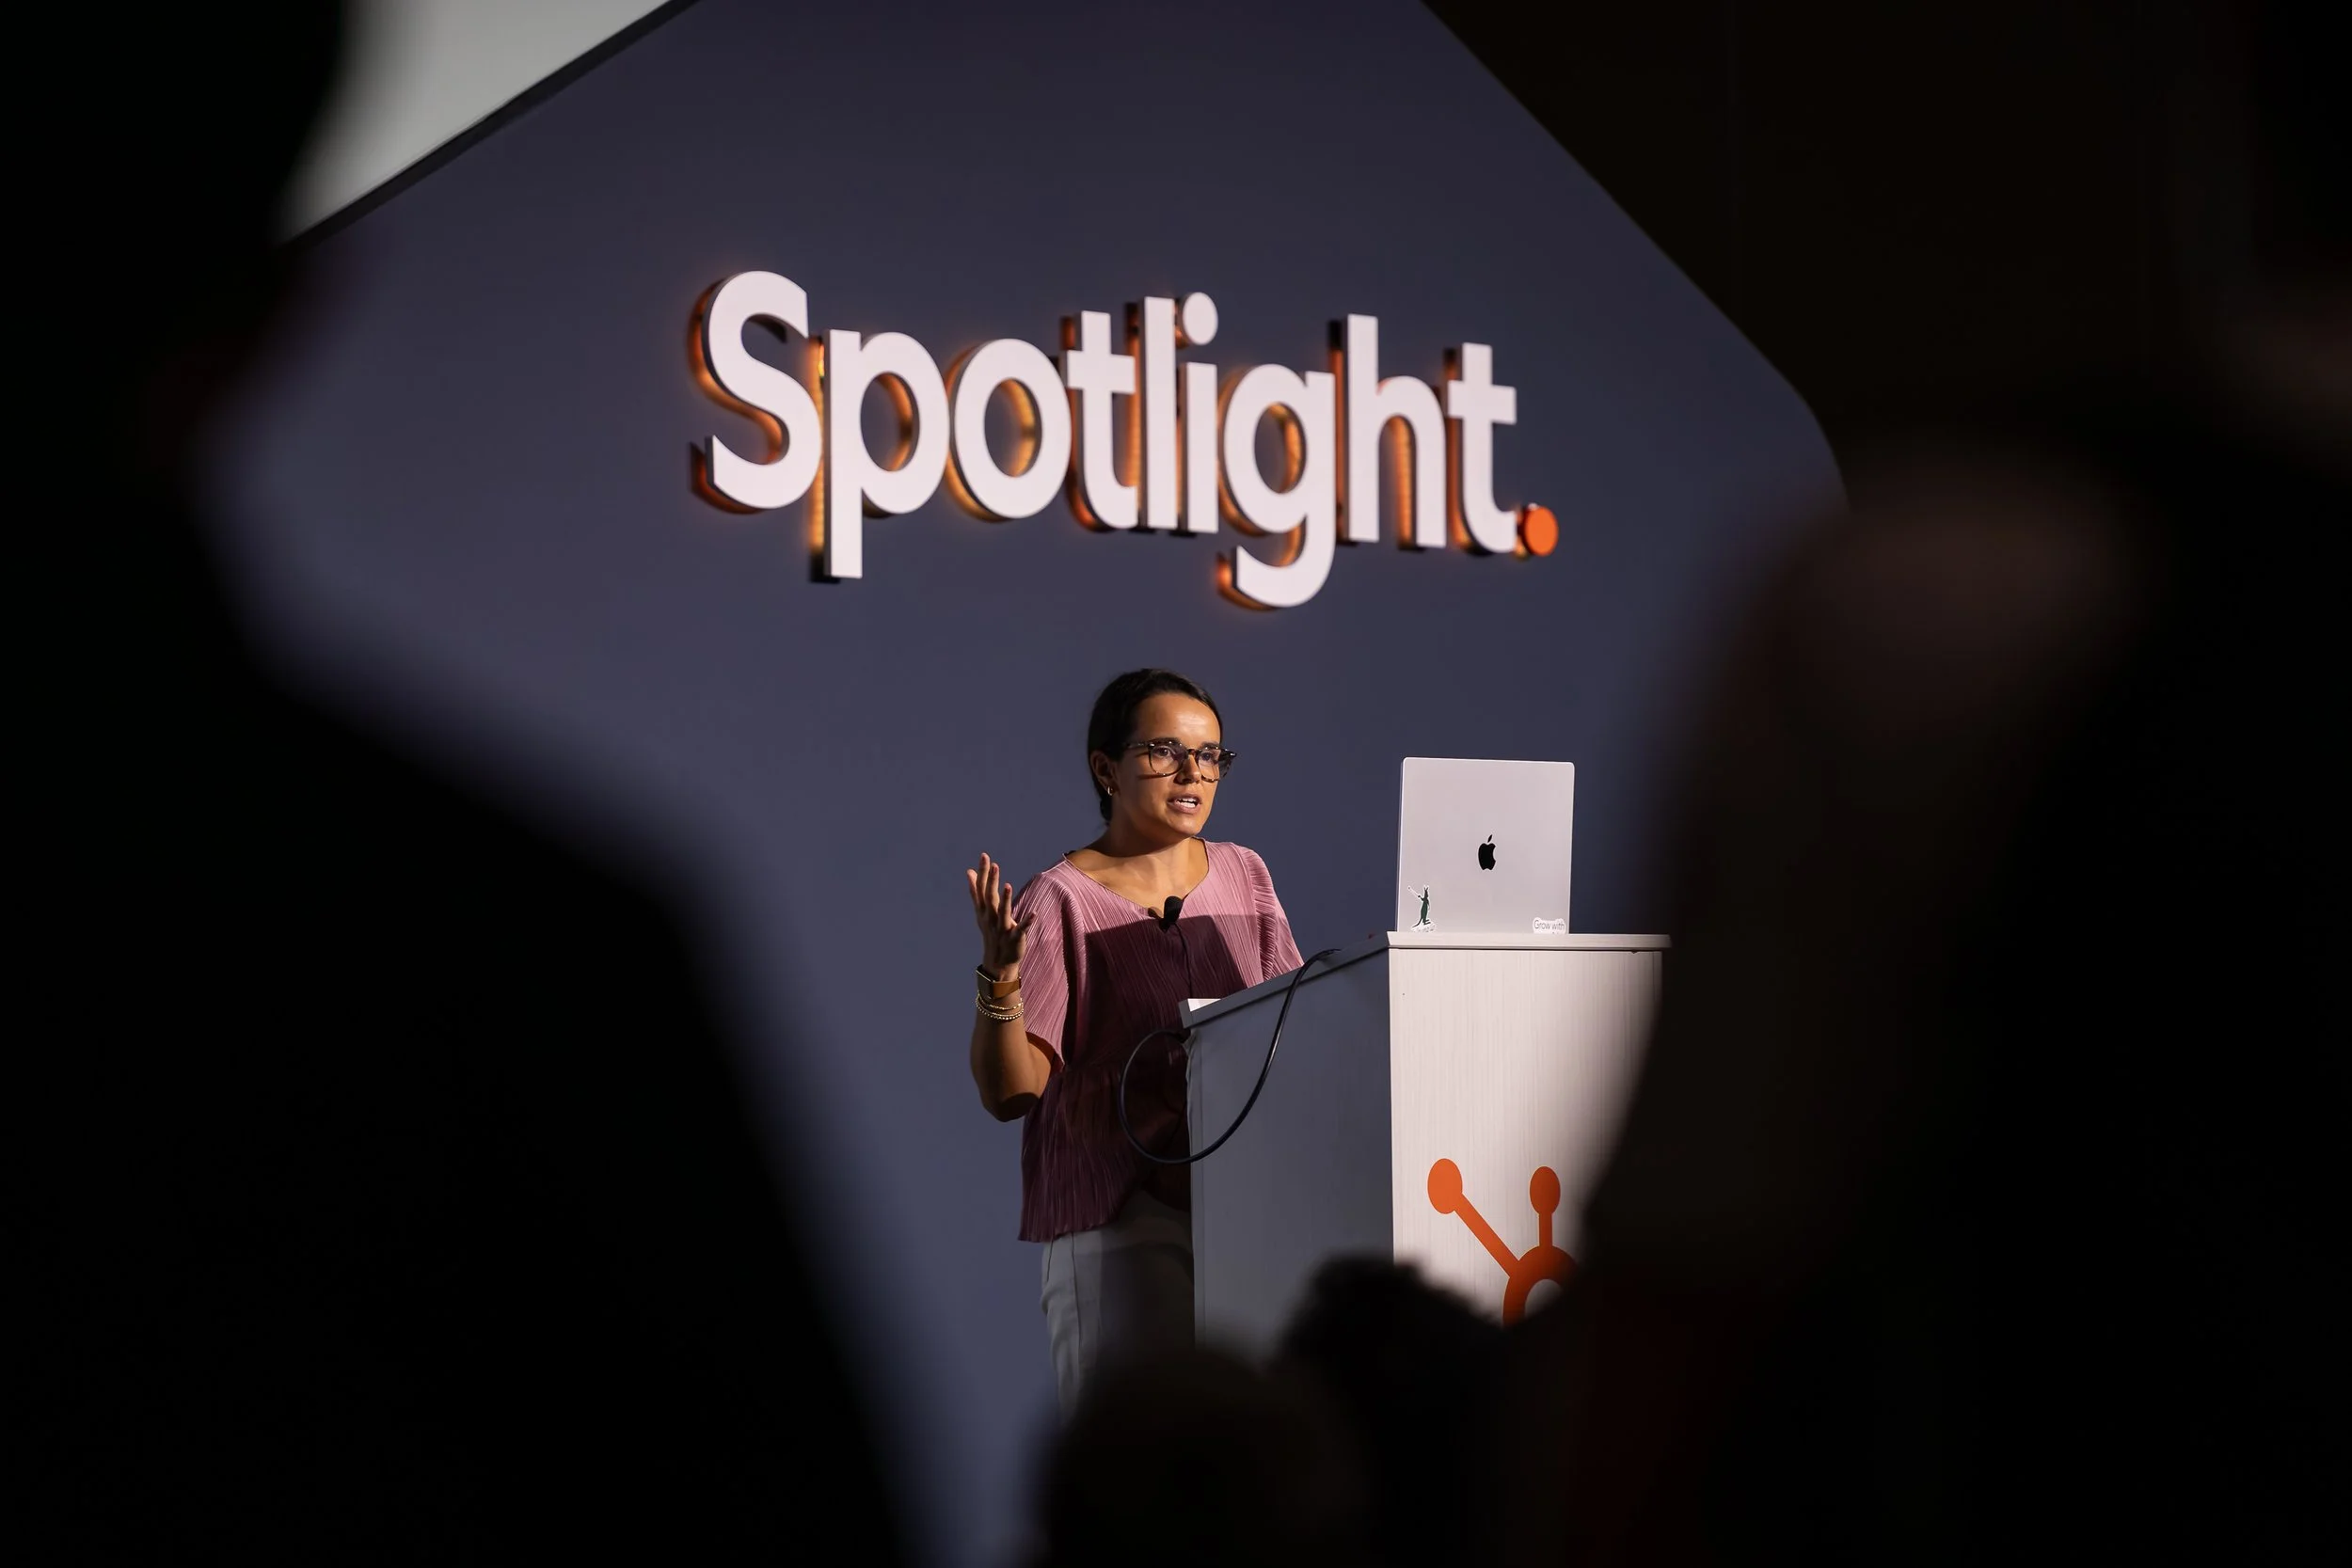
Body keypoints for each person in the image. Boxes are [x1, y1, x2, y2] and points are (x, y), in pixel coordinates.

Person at [964, 668, 1304, 1411]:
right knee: (1138, 1462)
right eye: (1164, 750)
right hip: (1120, 1228)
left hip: (1242, 1215)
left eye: (1210, 755)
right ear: (1105, 768)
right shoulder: (1059, 899)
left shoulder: (1246, 875)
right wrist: (1002, 975)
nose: (1193, 773)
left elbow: (1291, 1027)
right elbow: (1011, 1091)